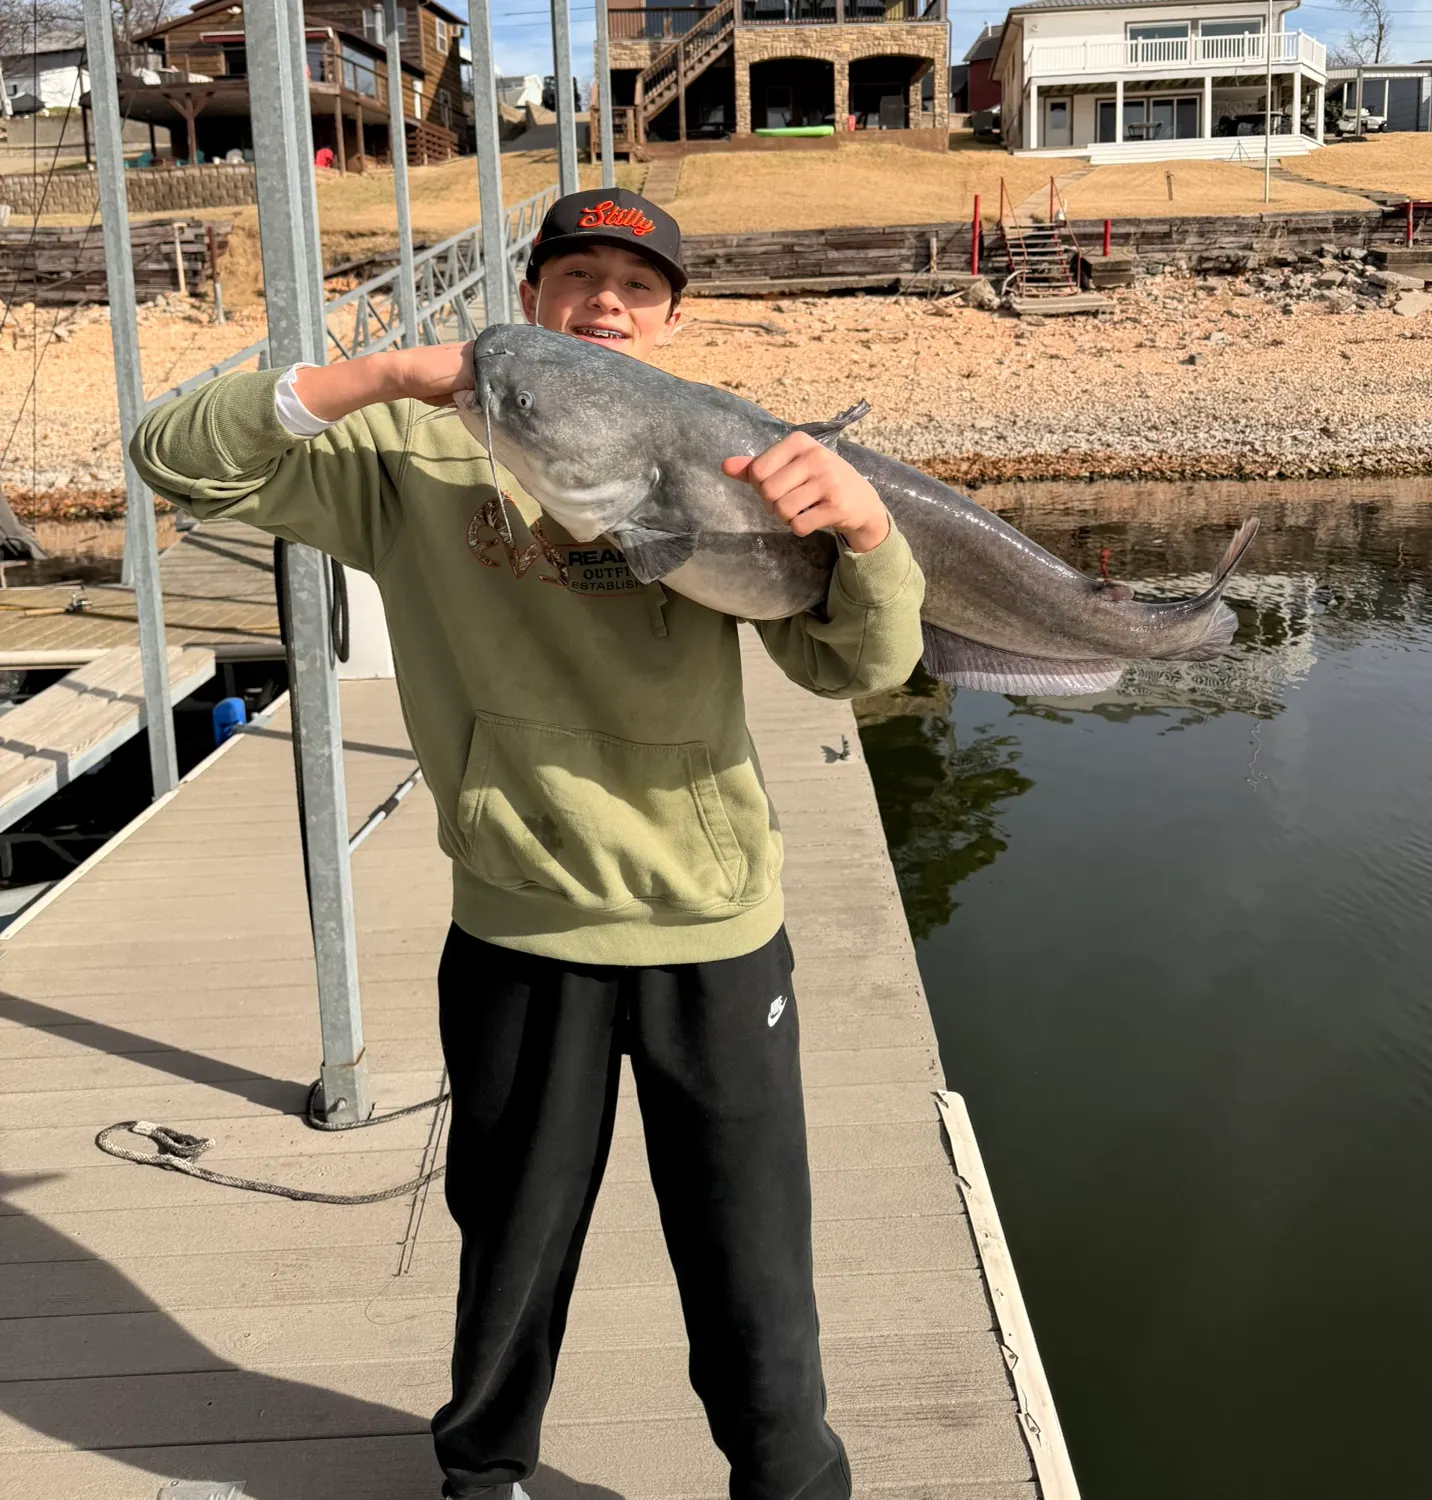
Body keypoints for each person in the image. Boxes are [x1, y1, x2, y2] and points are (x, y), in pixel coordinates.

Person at [130, 188, 925, 1500]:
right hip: (517, 926)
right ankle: (485, 1472)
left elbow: (858, 663)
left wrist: (866, 532)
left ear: (668, 317)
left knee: (754, 1268)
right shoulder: (413, 460)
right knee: (508, 1248)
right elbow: (178, 457)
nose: (606, 298)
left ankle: (790, 1483)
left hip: (714, 935)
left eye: (638, 282)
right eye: (577, 272)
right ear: (533, 293)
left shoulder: (726, 455)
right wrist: (387, 371)